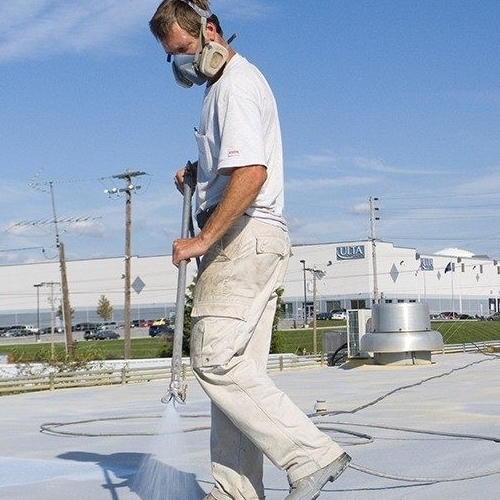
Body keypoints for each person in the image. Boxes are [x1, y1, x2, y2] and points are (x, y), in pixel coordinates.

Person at [149, 1, 351, 499]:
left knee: (214, 360)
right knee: (238, 381)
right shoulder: (226, 89)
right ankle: (236, 493)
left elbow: (251, 174)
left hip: (243, 238)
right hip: (256, 238)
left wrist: (202, 238)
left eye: (183, 50)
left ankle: (311, 456)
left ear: (210, 31)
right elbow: (236, 165)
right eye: (171, 56)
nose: (181, 64)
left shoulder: (234, 87)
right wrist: (199, 174)